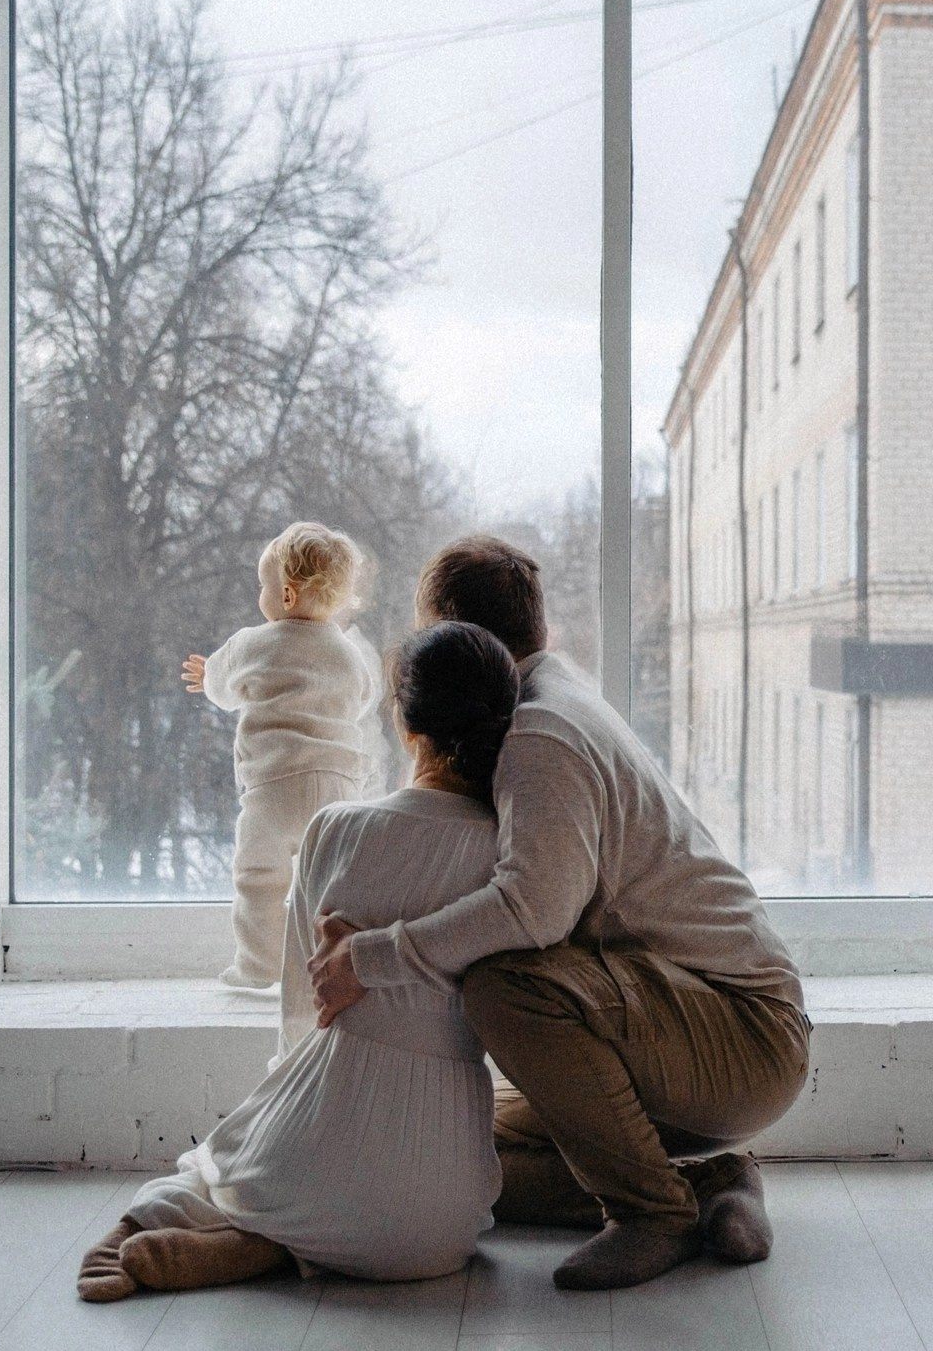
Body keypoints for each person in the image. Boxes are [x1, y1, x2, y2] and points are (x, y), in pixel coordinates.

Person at [310, 536, 810, 1291]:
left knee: (506, 988)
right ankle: (710, 1187)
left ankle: (651, 1214)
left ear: (462, 637)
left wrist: (368, 955)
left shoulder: (542, 733)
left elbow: (533, 911)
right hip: (687, 1016)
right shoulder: (549, 694)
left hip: (743, 1030)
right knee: (463, 1160)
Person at [78, 620, 520, 1301]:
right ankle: (279, 1245)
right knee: (352, 1191)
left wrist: (280, 1107)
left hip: (314, 1159)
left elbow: (300, 1010)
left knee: (217, 1159)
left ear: (406, 724)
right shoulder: (514, 863)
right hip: (442, 1226)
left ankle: (179, 1223)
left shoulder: (339, 829)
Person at [184, 520, 381, 989]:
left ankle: (257, 966)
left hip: (273, 786)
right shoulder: (350, 654)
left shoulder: (253, 644)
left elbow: (221, 686)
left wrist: (206, 675)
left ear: (287, 595)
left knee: (258, 878)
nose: (260, 595)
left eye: (262, 586)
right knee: (331, 889)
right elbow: (364, 700)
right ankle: (327, 968)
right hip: (338, 789)